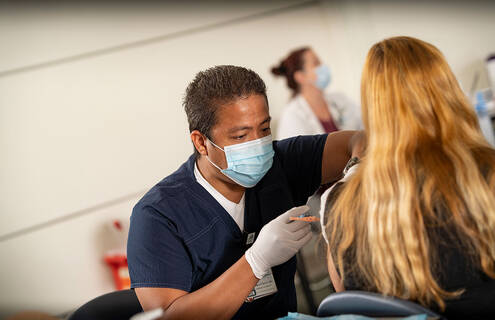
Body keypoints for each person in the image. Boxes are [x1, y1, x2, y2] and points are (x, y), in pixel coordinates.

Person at [127, 65, 362, 319]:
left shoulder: (280, 164)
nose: (258, 144)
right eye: (240, 136)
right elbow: (169, 318)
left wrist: (357, 171)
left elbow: (361, 141)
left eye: (263, 129)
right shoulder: (158, 216)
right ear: (201, 142)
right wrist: (256, 261)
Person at [320, 36, 495, 319]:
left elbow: (347, 301)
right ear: (448, 90)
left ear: (373, 106)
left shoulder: (338, 202)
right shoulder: (487, 174)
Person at [271, 47, 362, 140]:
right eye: (316, 63)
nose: (323, 67)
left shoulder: (340, 99)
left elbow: (365, 123)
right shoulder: (292, 116)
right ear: (300, 77)